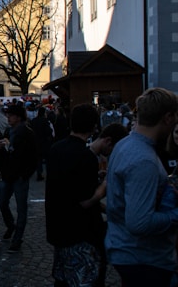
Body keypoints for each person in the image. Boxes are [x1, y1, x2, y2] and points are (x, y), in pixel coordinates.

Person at [45, 104, 127, 287]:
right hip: (80, 233)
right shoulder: (85, 156)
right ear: (94, 128)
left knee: (63, 280)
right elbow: (85, 201)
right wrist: (106, 185)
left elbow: (65, 186)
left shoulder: (56, 148)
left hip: (58, 229)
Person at [105, 87, 178, 286]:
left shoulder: (125, 145)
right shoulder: (144, 160)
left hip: (128, 252)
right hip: (144, 258)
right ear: (168, 117)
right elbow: (139, 222)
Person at [0, 104, 37, 253]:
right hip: (8, 174)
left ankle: (17, 238)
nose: (8, 118)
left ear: (18, 117)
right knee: (2, 202)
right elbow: (8, 152)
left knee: (21, 209)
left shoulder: (27, 133)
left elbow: (33, 156)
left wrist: (25, 174)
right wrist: (2, 148)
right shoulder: (8, 131)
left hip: (19, 175)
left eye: (10, 115)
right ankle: (11, 225)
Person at [30, 106, 54, 181]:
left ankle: (39, 174)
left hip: (36, 143)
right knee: (48, 160)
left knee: (38, 160)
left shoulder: (33, 120)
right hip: (45, 143)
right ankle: (49, 173)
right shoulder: (45, 120)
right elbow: (49, 131)